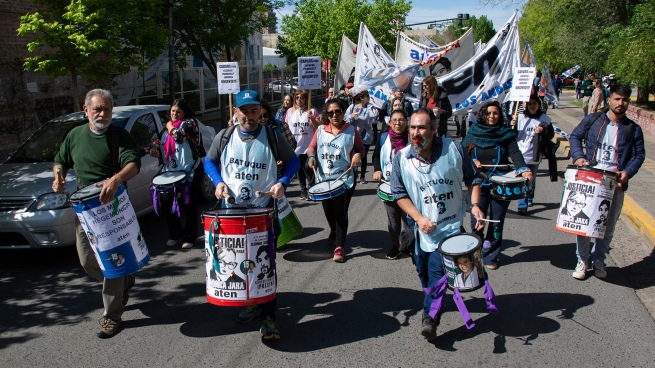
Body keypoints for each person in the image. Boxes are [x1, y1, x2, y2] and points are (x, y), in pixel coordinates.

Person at [203, 89, 301, 340]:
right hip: (232, 216)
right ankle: (251, 303)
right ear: (235, 112)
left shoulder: (271, 135)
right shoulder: (224, 136)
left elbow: (294, 162)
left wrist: (282, 183)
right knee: (238, 262)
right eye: (244, 111)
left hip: (264, 214)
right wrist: (218, 182)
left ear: (260, 111)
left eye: (254, 110)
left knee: (264, 265)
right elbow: (209, 161)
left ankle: (269, 317)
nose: (249, 115)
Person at [52, 89, 140, 338]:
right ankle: (124, 280)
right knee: (87, 261)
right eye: (97, 109)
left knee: (112, 260)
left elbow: (133, 163)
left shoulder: (118, 136)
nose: (102, 114)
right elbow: (60, 161)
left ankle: (111, 316)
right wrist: (58, 176)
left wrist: (115, 180)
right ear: (86, 110)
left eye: (107, 109)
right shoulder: (75, 135)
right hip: (85, 211)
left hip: (111, 209)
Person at [391, 107, 484, 340]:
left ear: (433, 129)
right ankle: (433, 300)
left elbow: (473, 178)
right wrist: (419, 219)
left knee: (436, 277)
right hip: (419, 232)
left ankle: (430, 318)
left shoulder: (454, 149)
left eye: (421, 127)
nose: (416, 132)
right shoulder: (401, 158)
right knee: (424, 275)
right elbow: (398, 193)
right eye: (413, 127)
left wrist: (474, 206)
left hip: (450, 230)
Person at [568, 84, 645, 280]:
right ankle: (583, 260)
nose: (621, 103)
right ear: (609, 99)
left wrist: (627, 171)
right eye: (618, 99)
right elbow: (575, 136)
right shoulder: (593, 120)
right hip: (590, 180)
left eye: (625, 100)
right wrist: (578, 158)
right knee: (584, 223)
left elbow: (638, 155)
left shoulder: (633, 129)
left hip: (614, 184)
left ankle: (599, 259)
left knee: (607, 226)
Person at [461, 100, 533, 270]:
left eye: (495, 113)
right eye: (489, 113)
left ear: (500, 115)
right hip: (478, 184)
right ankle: (474, 254)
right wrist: (472, 161)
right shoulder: (473, 133)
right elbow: (462, 155)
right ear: (482, 115)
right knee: (477, 221)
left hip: (500, 185)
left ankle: (491, 255)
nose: (492, 116)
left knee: (496, 221)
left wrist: (523, 169)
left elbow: (515, 154)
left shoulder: (505, 134)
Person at [307, 98, 365, 263]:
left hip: (344, 178)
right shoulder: (320, 131)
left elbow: (360, 149)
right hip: (323, 178)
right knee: (328, 210)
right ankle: (334, 229)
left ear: (343, 112)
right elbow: (312, 147)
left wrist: (357, 155)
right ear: (327, 114)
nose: (334, 115)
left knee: (340, 211)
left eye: (338, 111)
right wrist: (311, 157)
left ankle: (340, 246)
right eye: (331, 112)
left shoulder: (351, 131)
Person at [149, 99, 205, 249]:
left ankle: (190, 237)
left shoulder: (190, 123)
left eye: (178, 112)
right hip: (171, 172)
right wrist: (154, 151)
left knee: (189, 204)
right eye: (173, 111)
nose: (174, 114)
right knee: (166, 202)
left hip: (190, 170)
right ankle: (175, 234)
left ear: (185, 113)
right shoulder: (164, 130)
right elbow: (159, 147)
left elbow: (178, 136)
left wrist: (168, 125)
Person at [372, 109, 412, 260]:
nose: (397, 123)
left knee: (408, 218)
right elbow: (376, 156)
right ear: (389, 123)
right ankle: (395, 245)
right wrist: (377, 170)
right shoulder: (383, 138)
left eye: (401, 120)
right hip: (388, 184)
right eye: (394, 120)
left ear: (406, 122)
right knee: (393, 219)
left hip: (408, 187)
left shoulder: (412, 138)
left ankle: (409, 243)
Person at [514, 94, 555, 215]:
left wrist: (544, 130)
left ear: (539, 105)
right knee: (524, 179)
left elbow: (551, 135)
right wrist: (511, 124)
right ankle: (522, 205)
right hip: (520, 154)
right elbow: (512, 134)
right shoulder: (519, 117)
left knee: (531, 178)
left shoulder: (544, 118)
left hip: (535, 154)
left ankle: (529, 197)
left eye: (535, 104)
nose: (532, 106)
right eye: (530, 103)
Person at [285, 90, 319, 200]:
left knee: (308, 167)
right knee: (299, 169)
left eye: (302, 97)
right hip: (295, 146)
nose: (299, 99)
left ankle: (312, 188)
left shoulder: (312, 111)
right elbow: (285, 127)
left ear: (306, 99)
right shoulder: (290, 111)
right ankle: (303, 189)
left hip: (308, 145)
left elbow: (319, 127)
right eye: (297, 97)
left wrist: (312, 119)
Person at [345, 90, 377, 183]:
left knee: (363, 156)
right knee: (353, 156)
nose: (369, 97)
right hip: (353, 136)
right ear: (362, 98)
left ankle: (362, 176)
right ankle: (354, 173)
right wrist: (352, 116)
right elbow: (345, 120)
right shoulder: (353, 107)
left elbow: (374, 116)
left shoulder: (369, 108)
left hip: (365, 136)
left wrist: (370, 105)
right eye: (367, 96)